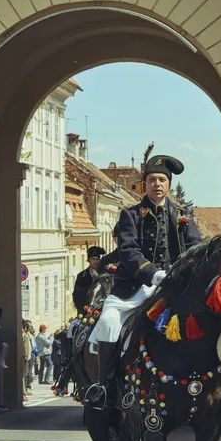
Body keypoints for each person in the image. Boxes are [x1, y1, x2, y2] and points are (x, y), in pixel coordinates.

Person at [86, 151, 202, 408]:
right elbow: (128, 250)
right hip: (132, 289)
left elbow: (196, 248)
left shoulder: (182, 215)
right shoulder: (130, 215)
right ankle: (104, 385)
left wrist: (180, 273)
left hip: (173, 290)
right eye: (152, 180)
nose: (157, 184)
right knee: (107, 321)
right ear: (145, 184)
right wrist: (153, 273)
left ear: (168, 184)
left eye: (161, 179)